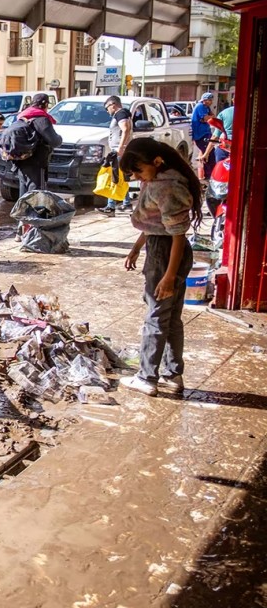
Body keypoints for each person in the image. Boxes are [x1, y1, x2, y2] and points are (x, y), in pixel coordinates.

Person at [119, 138, 203, 398]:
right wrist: (136, 247)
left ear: (156, 162)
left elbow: (176, 234)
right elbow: (156, 223)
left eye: (138, 170)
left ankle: (146, 377)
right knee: (171, 316)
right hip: (164, 247)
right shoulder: (162, 179)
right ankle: (173, 373)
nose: (135, 176)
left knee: (156, 315)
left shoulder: (165, 187)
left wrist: (168, 275)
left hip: (166, 253)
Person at [11, 93, 62, 240]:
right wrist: (60, 139)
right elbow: (53, 140)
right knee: (36, 196)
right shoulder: (41, 119)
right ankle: (31, 232)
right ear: (45, 105)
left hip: (21, 162)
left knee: (24, 195)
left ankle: (20, 231)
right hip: (36, 163)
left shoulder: (23, 116)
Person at [98, 95, 134, 214]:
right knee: (120, 177)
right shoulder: (123, 113)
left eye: (107, 107)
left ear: (113, 104)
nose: (107, 111)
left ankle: (112, 206)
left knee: (116, 177)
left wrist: (120, 147)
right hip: (120, 149)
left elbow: (125, 129)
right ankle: (124, 204)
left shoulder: (120, 113)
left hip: (119, 150)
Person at [190, 92, 215, 180]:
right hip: (201, 134)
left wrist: (210, 116)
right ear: (204, 100)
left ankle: (208, 175)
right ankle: (209, 176)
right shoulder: (200, 106)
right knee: (209, 154)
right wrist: (210, 116)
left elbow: (212, 116)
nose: (210, 102)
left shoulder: (206, 107)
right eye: (209, 100)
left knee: (210, 153)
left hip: (205, 132)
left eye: (211, 100)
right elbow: (206, 118)